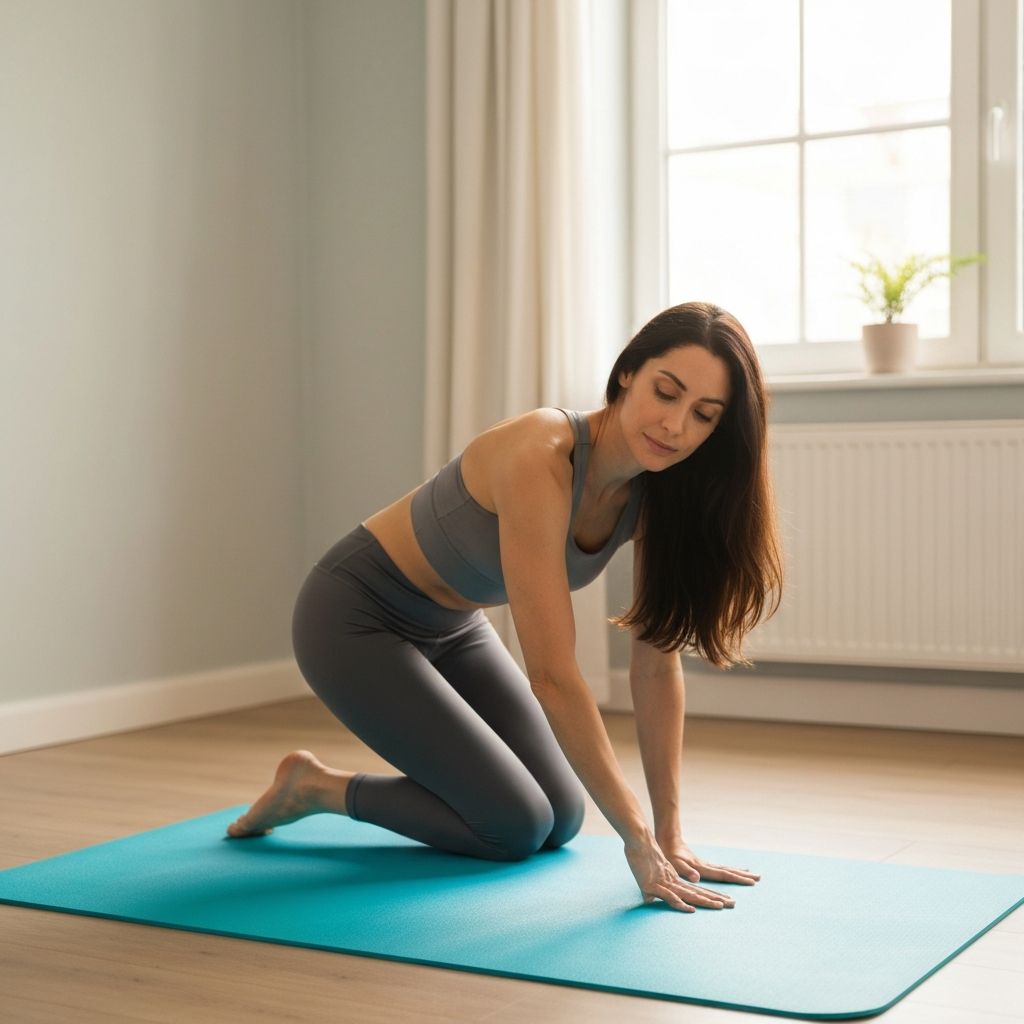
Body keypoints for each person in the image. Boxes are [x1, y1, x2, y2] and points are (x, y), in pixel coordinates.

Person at [226, 301, 784, 914]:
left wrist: (669, 833)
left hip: (453, 627)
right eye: (666, 392)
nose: (675, 425)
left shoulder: (657, 496)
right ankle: (316, 788)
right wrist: (637, 839)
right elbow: (551, 672)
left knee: (563, 815)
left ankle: (332, 786)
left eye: (703, 415)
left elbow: (655, 667)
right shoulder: (539, 454)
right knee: (513, 824)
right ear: (627, 372)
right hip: (355, 615)